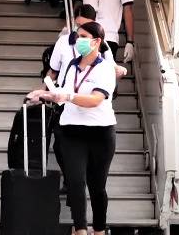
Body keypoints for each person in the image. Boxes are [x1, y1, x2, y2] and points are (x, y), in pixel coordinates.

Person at [32, 22, 117, 235]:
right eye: (77, 36)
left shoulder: (105, 67)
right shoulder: (70, 65)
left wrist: (68, 96)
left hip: (100, 132)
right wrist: (44, 95)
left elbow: (96, 99)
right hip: (71, 131)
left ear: (96, 41)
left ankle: (98, 229)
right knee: (75, 182)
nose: (78, 40)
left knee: (97, 187)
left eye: (83, 36)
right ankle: (80, 229)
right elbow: (62, 93)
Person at [35, 4, 127, 191]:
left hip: (91, 101)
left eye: (85, 27)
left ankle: (77, 181)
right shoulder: (63, 42)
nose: (80, 34)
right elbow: (52, 71)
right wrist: (43, 92)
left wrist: (119, 70)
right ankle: (72, 179)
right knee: (60, 146)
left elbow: (112, 68)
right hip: (64, 101)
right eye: (78, 26)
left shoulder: (103, 45)